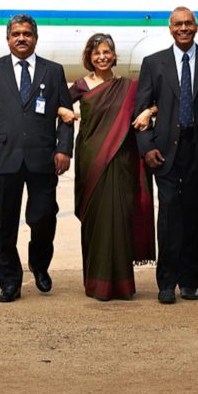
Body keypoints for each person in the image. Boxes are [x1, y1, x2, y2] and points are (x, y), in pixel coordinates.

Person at [0, 14, 74, 303]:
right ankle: (9, 281)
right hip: (5, 155)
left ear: (35, 38)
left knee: (43, 217)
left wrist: (64, 149)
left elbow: (66, 114)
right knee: (3, 222)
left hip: (43, 157)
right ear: (8, 39)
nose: (21, 38)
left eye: (27, 33)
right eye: (16, 34)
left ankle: (39, 265)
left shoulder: (53, 71)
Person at [135, 7, 198, 304]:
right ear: (170, 29)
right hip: (165, 151)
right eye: (178, 24)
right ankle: (166, 281)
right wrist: (147, 148)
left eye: (188, 23)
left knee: (194, 215)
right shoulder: (153, 63)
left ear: (196, 27)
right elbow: (141, 111)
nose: (183, 28)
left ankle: (190, 280)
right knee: (169, 214)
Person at [67, 33, 155, 300]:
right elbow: (54, 104)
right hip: (91, 160)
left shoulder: (129, 86)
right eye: (96, 53)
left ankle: (122, 284)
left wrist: (149, 111)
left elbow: (161, 101)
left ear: (114, 55)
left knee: (119, 219)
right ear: (89, 57)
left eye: (107, 52)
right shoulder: (81, 85)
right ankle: (97, 284)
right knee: (96, 222)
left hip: (121, 161)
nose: (102, 57)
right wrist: (63, 112)